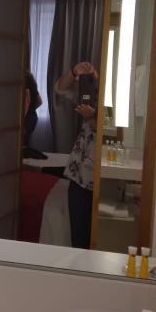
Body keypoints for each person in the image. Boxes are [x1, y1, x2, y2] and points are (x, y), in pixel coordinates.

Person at [55, 61, 98, 249]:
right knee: (79, 237)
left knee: (97, 238)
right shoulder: (90, 92)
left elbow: (114, 132)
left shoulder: (117, 99)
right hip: (79, 174)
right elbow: (60, 89)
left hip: (102, 177)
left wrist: (93, 117)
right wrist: (74, 72)